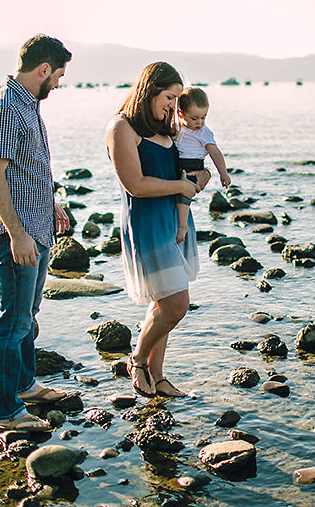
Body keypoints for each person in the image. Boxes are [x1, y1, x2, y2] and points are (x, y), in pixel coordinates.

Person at [0, 34, 72, 432]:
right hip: (17, 232)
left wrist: (51, 204)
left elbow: (27, 169)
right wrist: (15, 234)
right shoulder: (3, 109)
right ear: (43, 69)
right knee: (12, 321)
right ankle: (7, 414)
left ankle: (26, 385)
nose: (59, 84)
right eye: (59, 75)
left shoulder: (27, 106)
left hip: (37, 225)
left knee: (26, 316)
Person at [105, 62, 211, 398]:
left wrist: (201, 178)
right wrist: (181, 186)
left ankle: (158, 374)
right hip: (147, 225)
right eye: (169, 97)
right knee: (175, 304)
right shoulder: (121, 127)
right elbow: (135, 185)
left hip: (175, 222)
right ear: (149, 90)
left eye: (178, 99)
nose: (174, 106)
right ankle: (136, 361)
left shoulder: (168, 128)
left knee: (163, 302)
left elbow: (193, 166)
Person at [173, 86, 231, 243]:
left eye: (203, 117)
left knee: (183, 195)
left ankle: (183, 225)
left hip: (193, 165)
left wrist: (223, 173)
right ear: (181, 114)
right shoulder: (176, 126)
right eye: (194, 118)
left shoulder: (204, 132)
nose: (199, 122)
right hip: (177, 163)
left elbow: (215, 152)